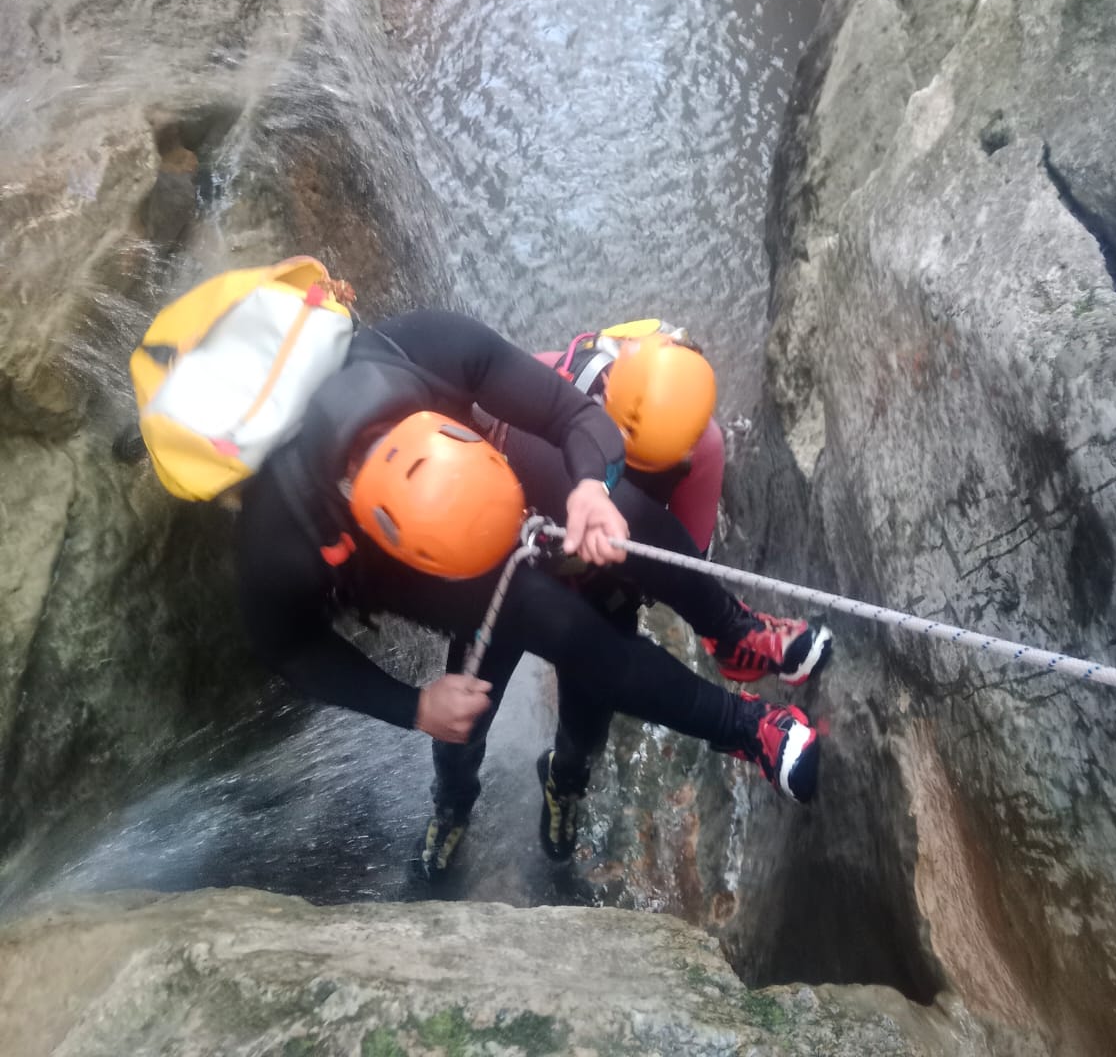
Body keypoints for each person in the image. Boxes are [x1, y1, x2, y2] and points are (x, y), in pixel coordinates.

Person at [236, 310, 828, 883]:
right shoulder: (281, 540)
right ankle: (452, 805)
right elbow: (287, 648)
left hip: (480, 473)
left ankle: (731, 680)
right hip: (440, 568)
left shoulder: (432, 349)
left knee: (617, 538)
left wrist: (592, 487)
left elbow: (572, 414)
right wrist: (413, 707)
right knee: (481, 702)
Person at [430, 325, 833, 870]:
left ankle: (563, 785)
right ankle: (452, 804)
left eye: (643, 473)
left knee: (585, 728)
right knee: (460, 722)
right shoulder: (544, 383)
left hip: (601, 591)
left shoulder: (701, 449)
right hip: (506, 570)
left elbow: (677, 567)